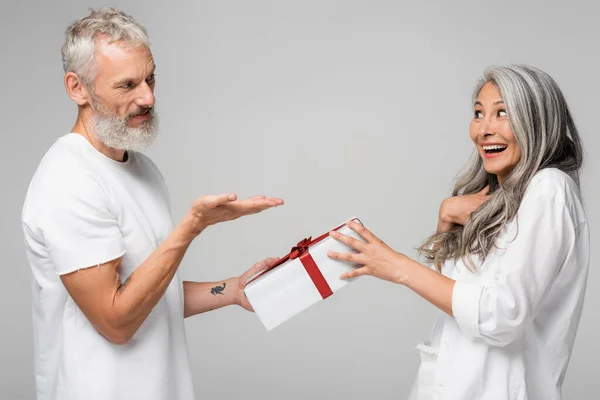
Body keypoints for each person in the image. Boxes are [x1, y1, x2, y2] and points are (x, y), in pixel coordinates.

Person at [21, 8, 283, 400]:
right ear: (78, 89)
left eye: (150, 78)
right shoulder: (68, 180)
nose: (148, 97)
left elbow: (146, 296)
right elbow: (116, 321)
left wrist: (230, 289)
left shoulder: (142, 169)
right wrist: (192, 227)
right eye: (127, 85)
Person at [328, 65, 589, 399]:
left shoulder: (550, 188)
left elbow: (502, 315)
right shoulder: (496, 197)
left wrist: (397, 267)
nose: (484, 129)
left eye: (502, 113)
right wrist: (446, 214)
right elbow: (455, 302)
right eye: (478, 114)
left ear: (536, 121)